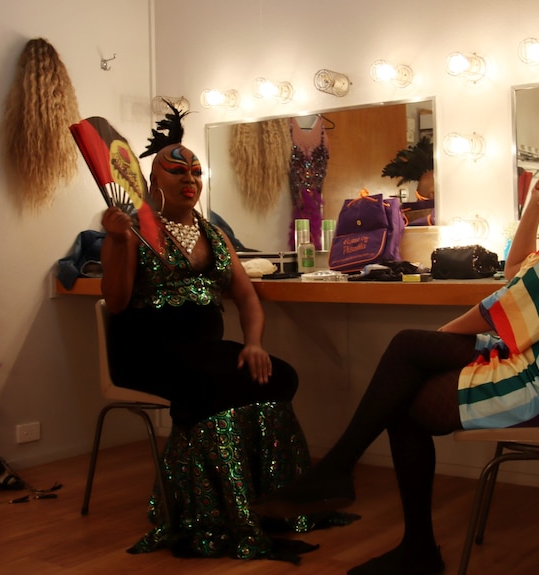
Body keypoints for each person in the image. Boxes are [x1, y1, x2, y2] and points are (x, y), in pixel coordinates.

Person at [252, 131, 539, 575]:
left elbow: (512, 303)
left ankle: (365, 496)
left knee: (407, 367)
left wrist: (443, 336)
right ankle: (350, 484)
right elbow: (514, 270)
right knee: (408, 371)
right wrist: (531, 208)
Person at [100, 104, 352, 562]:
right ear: (153, 180)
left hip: (204, 349)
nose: (188, 178)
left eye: (195, 170)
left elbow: (248, 298)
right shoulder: (133, 228)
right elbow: (115, 302)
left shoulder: (214, 234)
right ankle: (213, 512)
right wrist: (117, 242)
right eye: (175, 170)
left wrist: (254, 343)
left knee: (278, 376)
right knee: (216, 384)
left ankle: (276, 500)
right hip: (146, 350)